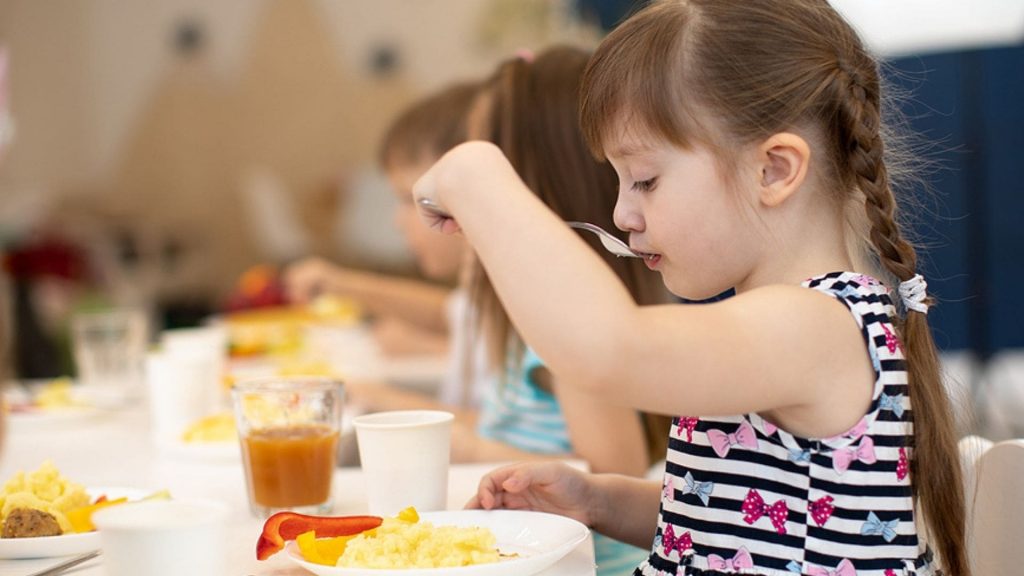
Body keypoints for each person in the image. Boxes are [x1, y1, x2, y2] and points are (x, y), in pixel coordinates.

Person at [413, 1, 968, 575]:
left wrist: (474, 175)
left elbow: (609, 349)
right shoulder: (775, 323)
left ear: (774, 170)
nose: (622, 213)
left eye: (645, 180)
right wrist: (601, 500)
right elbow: (741, 520)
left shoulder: (815, 325)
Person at [285, 81, 483, 412]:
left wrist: (386, 397)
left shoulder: (521, 301)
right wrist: (339, 283)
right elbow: (447, 312)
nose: (398, 221)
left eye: (411, 199)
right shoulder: (485, 293)